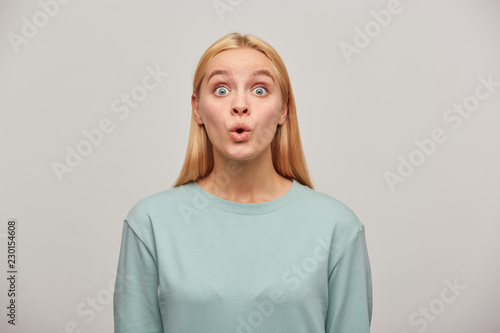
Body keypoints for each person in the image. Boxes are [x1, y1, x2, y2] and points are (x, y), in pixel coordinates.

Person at [113, 32, 372, 333]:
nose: (240, 105)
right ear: (197, 108)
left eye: (260, 90)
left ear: (284, 109)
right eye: (221, 89)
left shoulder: (337, 228)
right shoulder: (150, 224)